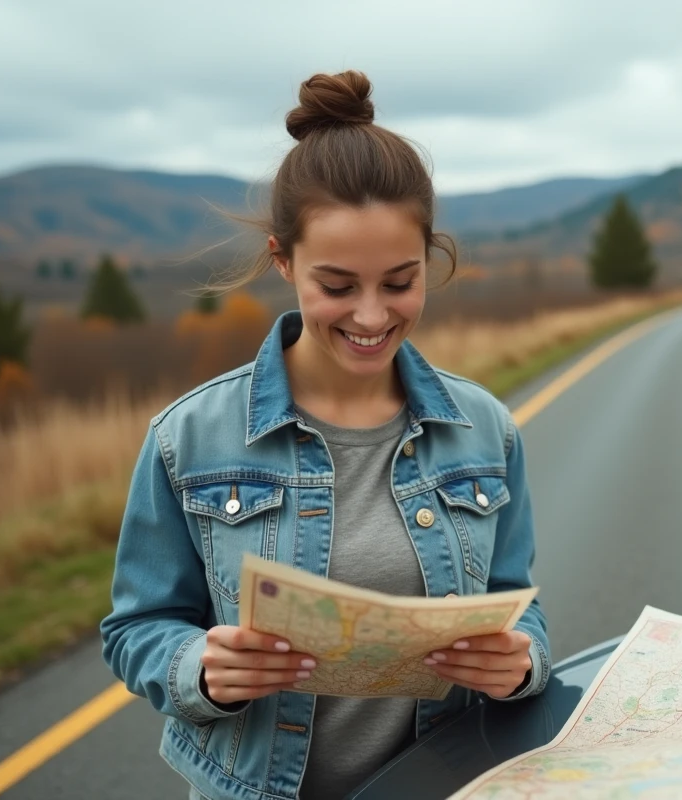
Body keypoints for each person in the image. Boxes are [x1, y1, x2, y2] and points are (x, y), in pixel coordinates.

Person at [100, 69, 550, 800]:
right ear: (283, 259)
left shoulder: (486, 430)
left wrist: (522, 666)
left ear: (430, 259)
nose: (371, 316)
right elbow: (137, 629)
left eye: (400, 282)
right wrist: (199, 670)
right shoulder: (189, 438)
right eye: (337, 286)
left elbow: (517, 603)